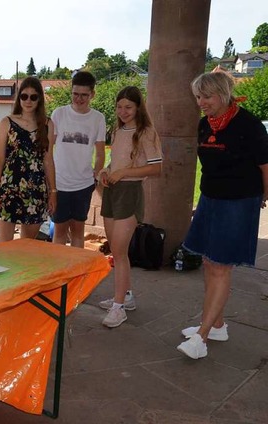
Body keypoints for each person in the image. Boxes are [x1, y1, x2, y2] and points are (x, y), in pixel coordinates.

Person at [176, 72, 268, 359]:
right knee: (208, 261)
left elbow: (266, 166)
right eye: (198, 97)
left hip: (239, 201)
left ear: (224, 94)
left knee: (221, 266)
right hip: (210, 199)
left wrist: (263, 195)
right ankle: (216, 325)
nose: (201, 102)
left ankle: (201, 337)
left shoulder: (249, 125)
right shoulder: (205, 125)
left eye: (207, 96)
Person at [97, 86, 162, 328]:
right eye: (119, 106)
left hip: (130, 193)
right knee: (116, 251)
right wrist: (106, 171)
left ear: (138, 108)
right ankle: (127, 296)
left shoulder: (146, 132)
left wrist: (124, 172)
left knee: (120, 252)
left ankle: (118, 307)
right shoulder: (118, 129)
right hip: (112, 192)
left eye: (128, 107)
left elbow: (156, 168)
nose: (123, 111)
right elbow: (117, 160)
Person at [0, 77, 56, 242]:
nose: (28, 100)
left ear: (39, 99)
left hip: (36, 190)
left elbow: (48, 160)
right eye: (24, 96)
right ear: (19, 98)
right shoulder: (7, 123)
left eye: (33, 97)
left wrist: (53, 192)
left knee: (27, 245)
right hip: (9, 188)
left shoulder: (47, 124)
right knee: (4, 245)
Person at [51, 71, 106, 248]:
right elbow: (47, 148)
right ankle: (59, 274)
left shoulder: (98, 118)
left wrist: (96, 176)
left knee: (77, 232)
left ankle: (76, 274)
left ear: (92, 94)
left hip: (83, 184)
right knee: (59, 233)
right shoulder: (59, 114)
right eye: (75, 94)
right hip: (59, 184)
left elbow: (100, 152)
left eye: (84, 95)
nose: (79, 99)